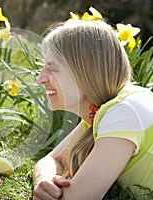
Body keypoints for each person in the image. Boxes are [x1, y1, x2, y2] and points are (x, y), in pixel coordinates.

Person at [33, 20, 153, 199]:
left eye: (52, 68)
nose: (40, 79)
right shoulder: (101, 112)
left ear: (85, 72)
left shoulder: (125, 111)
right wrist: (44, 180)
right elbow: (53, 160)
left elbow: (77, 198)